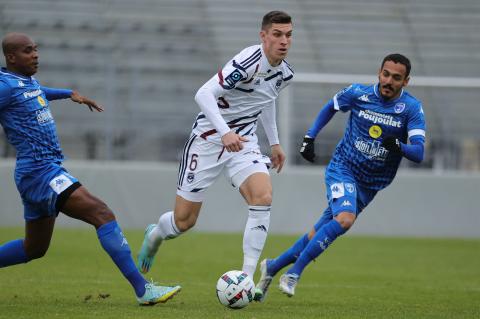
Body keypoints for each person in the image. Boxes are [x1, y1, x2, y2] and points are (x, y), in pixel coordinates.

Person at [0, 33, 181, 305]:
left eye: (36, 49)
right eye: (28, 51)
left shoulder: (25, 82)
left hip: (38, 172)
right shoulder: (4, 86)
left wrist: (70, 94)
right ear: (11, 57)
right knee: (101, 213)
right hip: (40, 172)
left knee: (34, 248)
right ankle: (143, 289)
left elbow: (38, 92)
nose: (35, 55)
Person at [137, 11, 294, 299]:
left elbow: (266, 100)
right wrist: (224, 131)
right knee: (184, 222)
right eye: (277, 34)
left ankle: (246, 279)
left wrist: (274, 142)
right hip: (208, 141)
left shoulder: (284, 73)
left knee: (263, 197)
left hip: (243, 143)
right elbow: (203, 93)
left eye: (288, 35)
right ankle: (156, 234)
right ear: (263, 36)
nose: (284, 41)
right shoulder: (247, 62)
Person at [255, 53, 426, 300]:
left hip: (370, 184)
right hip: (343, 168)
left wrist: (399, 146)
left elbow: (419, 153)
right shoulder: (358, 94)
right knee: (345, 219)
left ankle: (271, 267)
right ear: (379, 73)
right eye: (386, 74)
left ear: (406, 81)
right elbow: (331, 106)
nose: (389, 81)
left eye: (396, 78)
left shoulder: (411, 108)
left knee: (320, 233)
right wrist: (309, 137)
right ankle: (293, 273)